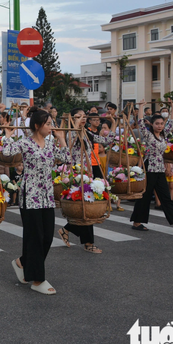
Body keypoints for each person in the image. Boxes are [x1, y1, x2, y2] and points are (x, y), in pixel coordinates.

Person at [1, 110, 69, 295]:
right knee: (35, 237)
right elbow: (6, 153)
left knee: (47, 237)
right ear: (37, 125)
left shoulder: (50, 144)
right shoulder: (24, 142)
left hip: (47, 196)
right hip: (30, 196)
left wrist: (61, 138)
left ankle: (22, 262)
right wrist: (7, 136)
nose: (51, 127)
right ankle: (38, 280)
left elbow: (67, 159)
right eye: (48, 123)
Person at [57, 108, 114, 254]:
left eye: (84, 116)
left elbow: (106, 140)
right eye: (78, 116)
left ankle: (68, 230)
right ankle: (88, 243)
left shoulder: (87, 133)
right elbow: (68, 144)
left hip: (87, 174)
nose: (82, 118)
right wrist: (75, 124)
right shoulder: (70, 132)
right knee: (86, 208)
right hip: (75, 174)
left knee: (86, 209)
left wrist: (112, 124)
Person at [129, 101, 173, 233]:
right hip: (149, 169)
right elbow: (140, 122)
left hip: (160, 170)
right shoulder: (148, 135)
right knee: (144, 197)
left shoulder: (163, 135)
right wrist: (140, 107)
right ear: (152, 124)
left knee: (166, 198)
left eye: (161, 124)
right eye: (157, 124)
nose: (160, 126)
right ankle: (137, 222)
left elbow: (172, 122)